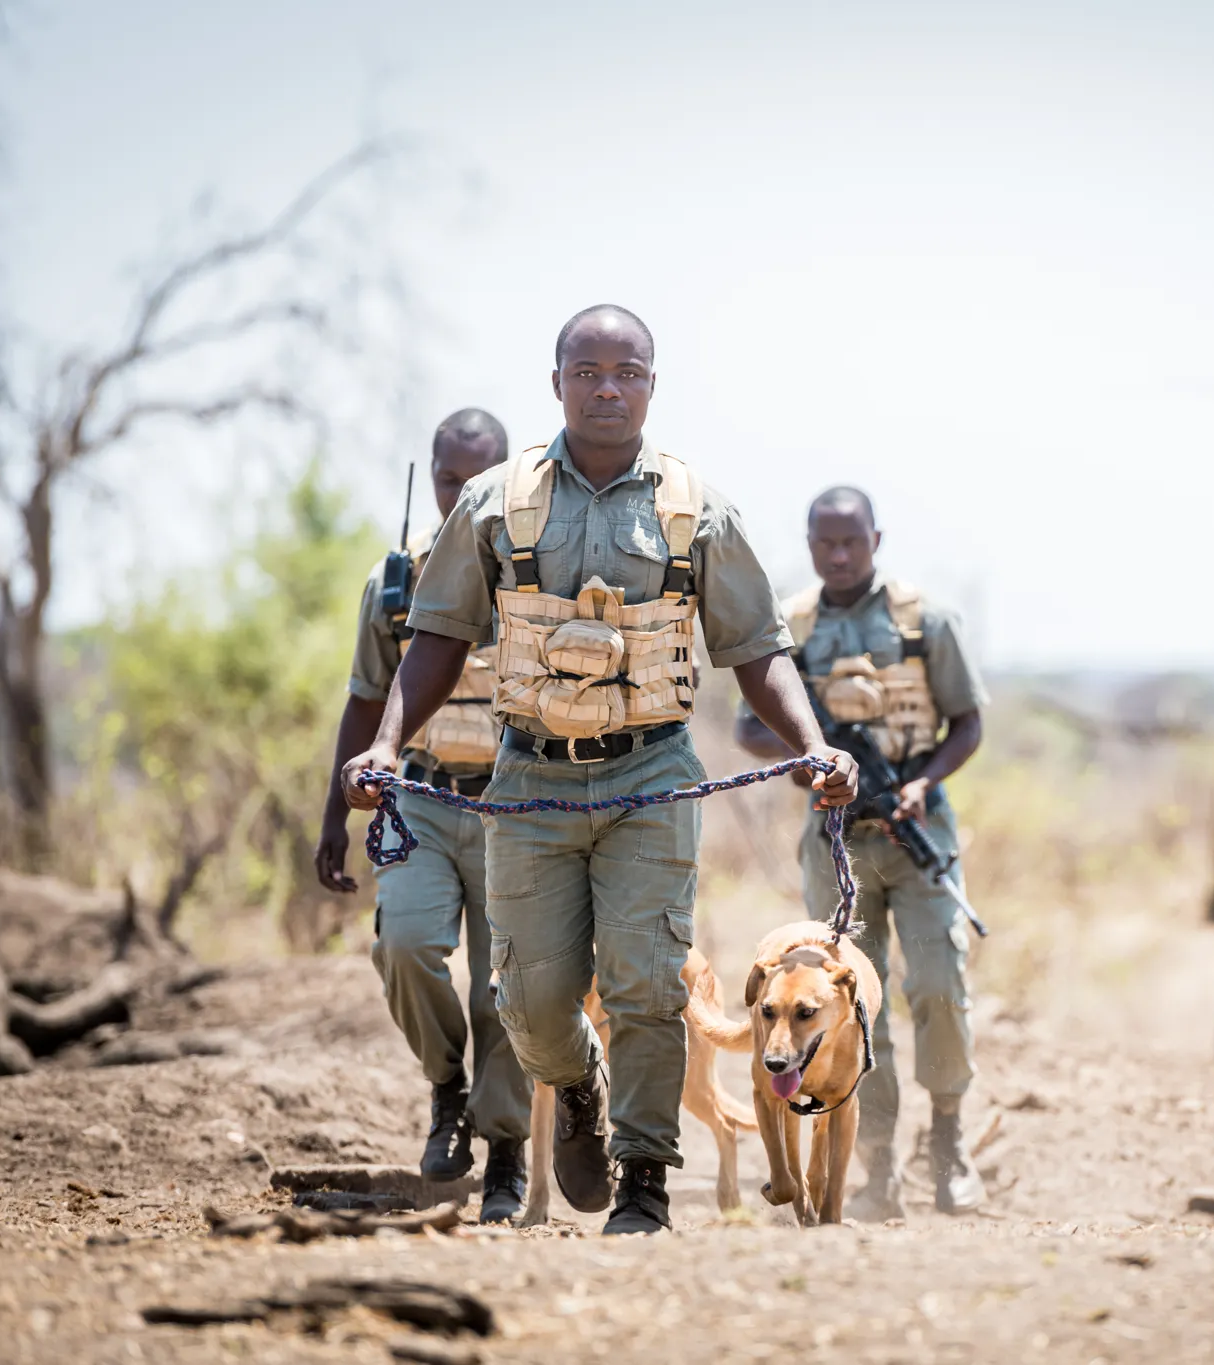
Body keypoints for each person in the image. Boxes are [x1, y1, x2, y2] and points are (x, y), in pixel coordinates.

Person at [340, 305, 857, 1236]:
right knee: (530, 1001)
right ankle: (576, 1082)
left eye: (628, 371)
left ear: (652, 385)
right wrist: (382, 746)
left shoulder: (698, 508)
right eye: (588, 371)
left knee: (647, 979)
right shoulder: (495, 501)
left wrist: (813, 743)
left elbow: (757, 647)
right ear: (557, 384)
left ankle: (645, 1181)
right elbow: (438, 638)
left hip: (651, 777)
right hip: (529, 780)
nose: (608, 387)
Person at [734, 486, 988, 1220]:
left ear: (877, 538)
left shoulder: (924, 621)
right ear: (810, 542)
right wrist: (809, 754)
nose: (839, 555)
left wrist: (920, 782)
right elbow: (751, 725)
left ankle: (948, 1144)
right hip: (834, 837)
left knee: (939, 984)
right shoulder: (794, 624)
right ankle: (875, 1167)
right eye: (825, 543)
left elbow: (968, 723)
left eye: (852, 542)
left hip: (918, 834)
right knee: (846, 1009)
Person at [314, 409, 534, 1223]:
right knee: (404, 944)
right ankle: (448, 1088)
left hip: (519, 801)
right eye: (451, 478)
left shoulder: (534, 569)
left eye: (483, 480)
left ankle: (506, 1147)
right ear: (433, 475)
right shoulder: (397, 580)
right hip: (422, 795)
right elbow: (365, 699)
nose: (464, 493)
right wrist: (334, 814)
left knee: (507, 984)